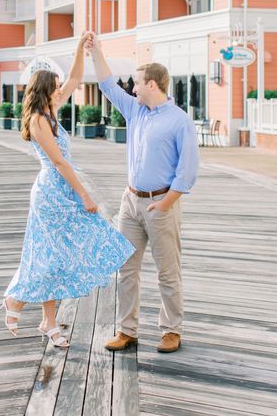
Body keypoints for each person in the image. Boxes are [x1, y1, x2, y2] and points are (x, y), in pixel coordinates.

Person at [0, 34, 135, 348]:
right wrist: (85, 195)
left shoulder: (52, 108)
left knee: (56, 256)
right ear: (45, 90)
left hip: (62, 191)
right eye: (56, 86)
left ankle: (46, 320)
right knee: (50, 256)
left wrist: (80, 49)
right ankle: (17, 300)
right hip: (51, 193)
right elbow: (59, 162)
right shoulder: (37, 120)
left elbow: (76, 77)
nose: (61, 89)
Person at [85, 32, 199, 354]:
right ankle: (127, 330)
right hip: (131, 203)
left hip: (162, 204)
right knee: (126, 269)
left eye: (136, 83)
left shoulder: (179, 122)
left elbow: (187, 171)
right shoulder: (135, 111)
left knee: (167, 272)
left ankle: (171, 330)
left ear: (152, 84)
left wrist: (166, 202)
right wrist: (97, 51)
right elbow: (107, 84)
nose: (131, 89)